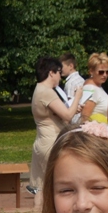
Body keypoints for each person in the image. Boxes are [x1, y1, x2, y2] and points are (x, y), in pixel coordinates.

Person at [30, 57, 84, 195]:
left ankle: (38, 208)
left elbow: (57, 113)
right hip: (51, 142)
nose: (60, 76)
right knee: (54, 186)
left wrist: (73, 108)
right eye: (59, 72)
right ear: (51, 73)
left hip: (43, 140)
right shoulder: (46, 92)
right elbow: (67, 116)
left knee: (41, 186)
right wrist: (78, 96)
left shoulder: (39, 89)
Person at [79, 53, 108, 123]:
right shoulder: (90, 89)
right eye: (101, 72)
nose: (105, 75)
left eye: (107, 72)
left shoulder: (98, 87)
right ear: (91, 71)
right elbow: (84, 118)